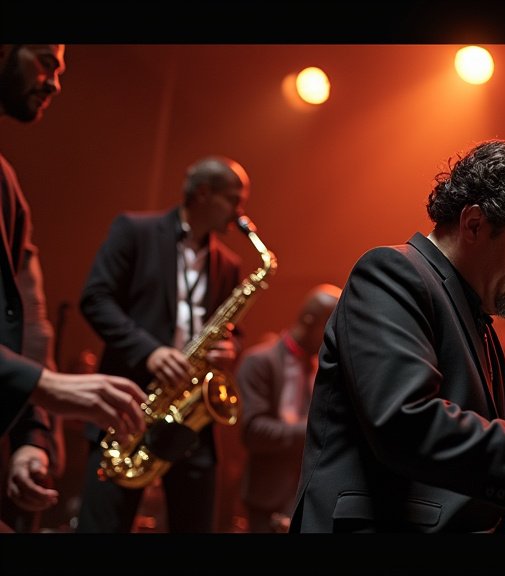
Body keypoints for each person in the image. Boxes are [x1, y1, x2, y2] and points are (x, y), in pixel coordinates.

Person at [291, 139, 505, 533]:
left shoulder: (472, 308)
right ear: (474, 224)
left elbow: (464, 457)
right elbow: (406, 424)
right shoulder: (392, 272)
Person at [0, 44, 147, 532]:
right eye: (46, 61)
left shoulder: (6, 182)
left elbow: (28, 321)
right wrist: (45, 386)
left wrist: (31, 437)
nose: (56, 83)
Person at [76, 155, 251, 533]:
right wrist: (150, 351)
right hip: (131, 403)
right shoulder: (134, 230)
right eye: (233, 200)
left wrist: (230, 348)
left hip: (190, 413)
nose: (240, 213)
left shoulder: (229, 263)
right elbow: (96, 299)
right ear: (202, 193)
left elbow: (231, 329)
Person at [236, 283, 342, 533]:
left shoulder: (326, 364)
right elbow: (253, 431)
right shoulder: (259, 362)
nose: (335, 335)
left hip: (315, 496)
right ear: (309, 320)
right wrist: (320, 429)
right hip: (269, 498)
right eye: (330, 325)